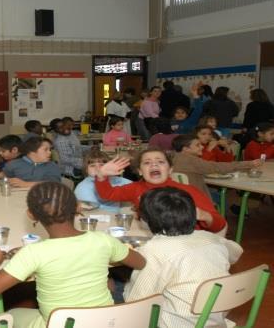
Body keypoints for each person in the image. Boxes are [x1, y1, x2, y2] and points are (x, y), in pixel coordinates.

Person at [0, 182, 146, 328]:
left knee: (12, 314)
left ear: (31, 215)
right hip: (106, 322)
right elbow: (140, 263)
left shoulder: (33, 252)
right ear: (78, 207)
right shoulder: (103, 240)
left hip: (59, 324)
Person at [124, 187, 243, 328]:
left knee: (120, 291)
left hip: (178, 324)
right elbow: (236, 252)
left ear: (146, 220)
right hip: (214, 320)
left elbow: (137, 301)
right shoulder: (209, 238)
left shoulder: (153, 251)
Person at [95, 149, 226, 233]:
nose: (154, 165)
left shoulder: (187, 191)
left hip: (185, 243)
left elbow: (219, 225)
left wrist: (204, 215)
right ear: (140, 171)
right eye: (147, 163)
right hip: (152, 239)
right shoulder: (136, 188)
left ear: (170, 170)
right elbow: (108, 194)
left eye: (160, 162)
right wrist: (102, 176)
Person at [171, 134, 260, 198]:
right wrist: (248, 163)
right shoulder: (190, 160)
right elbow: (217, 167)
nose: (202, 147)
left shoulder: (174, 157)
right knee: (220, 197)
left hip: (179, 196)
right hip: (194, 198)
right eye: (198, 145)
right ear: (186, 149)